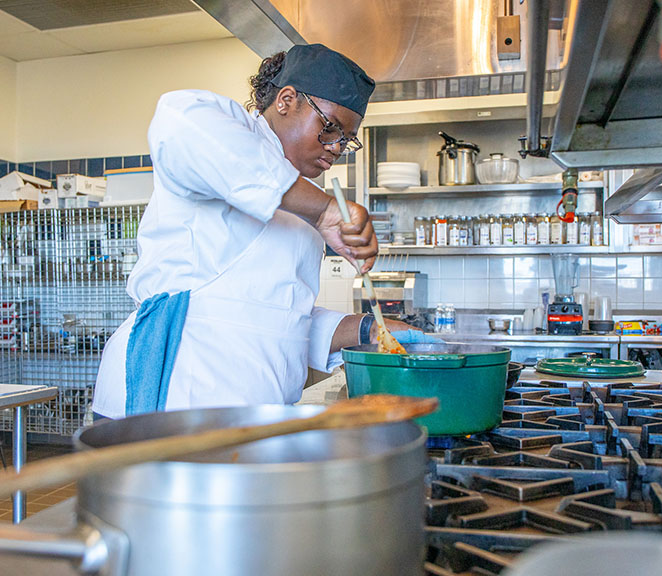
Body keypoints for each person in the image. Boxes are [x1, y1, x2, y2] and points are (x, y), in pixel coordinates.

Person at [92, 44, 431, 419]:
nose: (335, 148)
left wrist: (369, 330)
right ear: (287, 100)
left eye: (345, 139)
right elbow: (178, 123)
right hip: (174, 399)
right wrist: (324, 211)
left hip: (251, 412)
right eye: (329, 127)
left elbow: (277, 317)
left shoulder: (303, 205)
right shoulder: (223, 131)